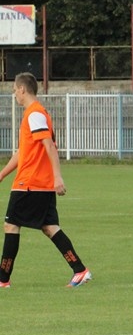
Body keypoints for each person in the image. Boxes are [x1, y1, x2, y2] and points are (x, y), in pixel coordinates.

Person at [0, 72, 91, 288]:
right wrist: (2, 174)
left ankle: (3, 279)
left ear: (22, 89)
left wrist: (58, 177)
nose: (14, 94)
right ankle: (80, 270)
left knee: (11, 225)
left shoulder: (35, 114)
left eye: (15, 90)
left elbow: (49, 145)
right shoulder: (34, 114)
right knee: (50, 227)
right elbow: (23, 152)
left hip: (30, 183)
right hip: (39, 183)